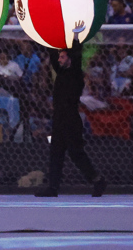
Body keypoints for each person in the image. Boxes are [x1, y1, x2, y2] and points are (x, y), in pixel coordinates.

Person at [35, 22, 106, 197]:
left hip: (71, 120)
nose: (59, 59)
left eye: (63, 57)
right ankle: (53, 188)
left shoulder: (75, 74)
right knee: (56, 153)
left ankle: (97, 180)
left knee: (76, 153)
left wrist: (75, 38)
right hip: (59, 119)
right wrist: (49, 39)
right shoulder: (61, 73)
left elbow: (77, 54)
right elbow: (53, 57)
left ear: (70, 59)